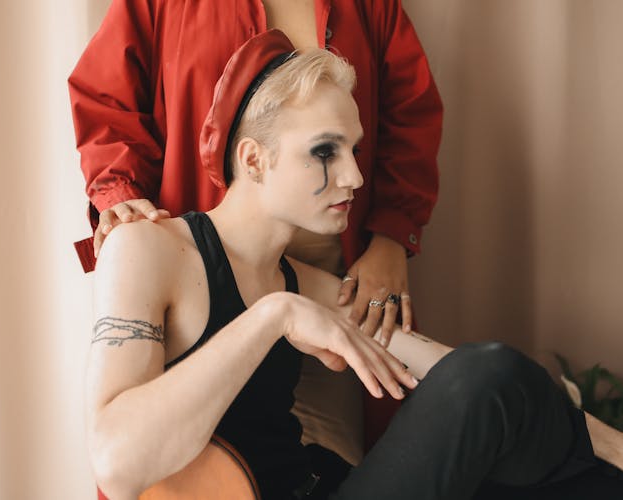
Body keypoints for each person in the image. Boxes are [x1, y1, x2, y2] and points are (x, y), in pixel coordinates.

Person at [87, 31, 623, 500]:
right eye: (325, 152)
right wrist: (274, 316)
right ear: (253, 159)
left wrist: (613, 447)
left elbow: (466, 378)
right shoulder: (147, 247)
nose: (354, 177)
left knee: (500, 391)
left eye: (354, 151)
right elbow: (117, 465)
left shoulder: (309, 286)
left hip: (326, 485)